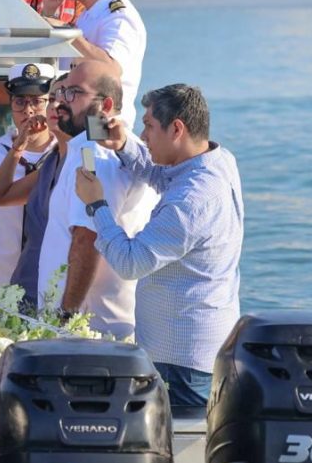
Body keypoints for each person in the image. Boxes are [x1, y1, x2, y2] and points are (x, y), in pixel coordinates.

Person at [75, 84, 243, 407]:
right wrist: (124, 146)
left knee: (176, 438)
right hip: (198, 351)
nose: (143, 134)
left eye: (149, 126)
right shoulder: (218, 161)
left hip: (182, 363)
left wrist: (96, 205)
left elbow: (130, 262)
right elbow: (164, 176)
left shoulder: (191, 201)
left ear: (177, 129)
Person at [36, 60, 157, 338]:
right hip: (89, 328)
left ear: (106, 105)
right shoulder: (87, 147)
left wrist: (66, 317)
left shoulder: (98, 154)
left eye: (75, 93)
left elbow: (87, 239)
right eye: (62, 91)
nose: (62, 101)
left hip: (89, 331)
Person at [0, 63, 57, 297]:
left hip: (50, 282)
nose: (28, 111)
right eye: (20, 101)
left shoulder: (64, 155)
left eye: (37, 101)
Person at [0, 73, 73, 307]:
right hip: (28, 284)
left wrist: (69, 308)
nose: (55, 106)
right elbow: (1, 196)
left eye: (65, 98)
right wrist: (19, 146)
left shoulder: (88, 159)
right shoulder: (52, 163)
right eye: (53, 98)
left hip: (64, 291)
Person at [56, 0, 147, 128]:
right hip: (81, 127)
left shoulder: (119, 18)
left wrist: (65, 33)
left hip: (104, 130)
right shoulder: (91, 14)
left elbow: (111, 69)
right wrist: (50, 14)